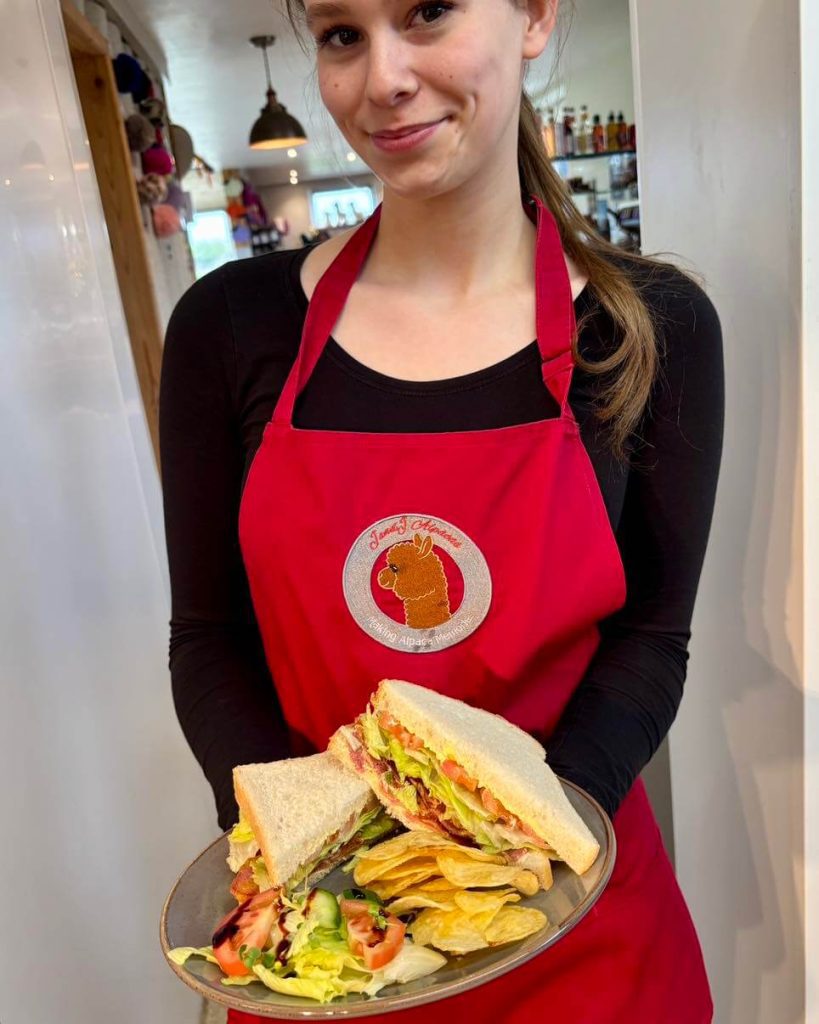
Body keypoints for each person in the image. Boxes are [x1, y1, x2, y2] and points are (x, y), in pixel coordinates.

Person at [159, 0, 723, 1018]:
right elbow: (208, 637)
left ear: (537, 15)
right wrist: (315, 854)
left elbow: (652, 636)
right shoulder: (228, 329)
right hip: (333, 940)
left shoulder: (650, 328)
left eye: (426, 12)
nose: (384, 78)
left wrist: (519, 855)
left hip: (584, 925)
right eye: (341, 33)